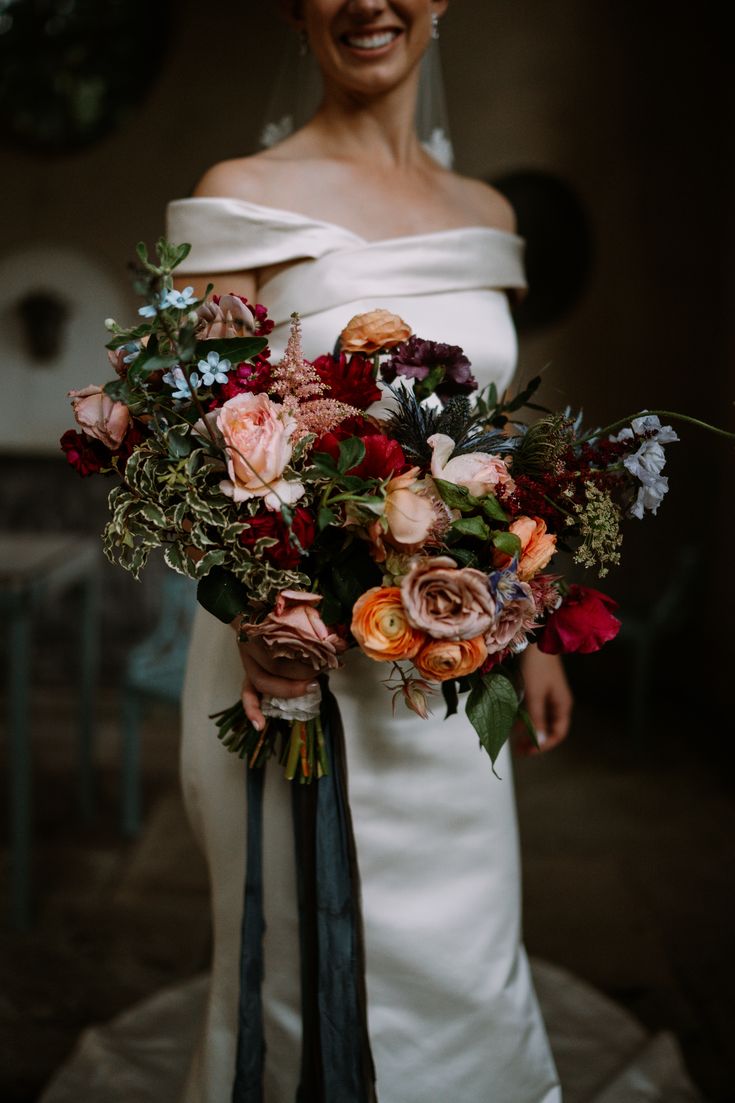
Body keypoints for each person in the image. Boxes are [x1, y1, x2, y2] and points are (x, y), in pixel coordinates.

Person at [168, 1, 573, 1100]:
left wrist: (536, 629)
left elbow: (502, 441)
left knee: (470, 953)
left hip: (454, 661)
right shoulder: (239, 197)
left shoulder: (484, 213)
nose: (367, 2)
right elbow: (188, 442)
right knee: (308, 967)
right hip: (301, 670)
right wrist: (263, 614)